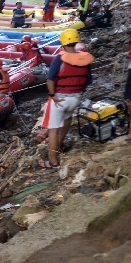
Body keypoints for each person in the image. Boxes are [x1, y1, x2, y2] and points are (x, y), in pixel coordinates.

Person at [39, 29, 94, 169]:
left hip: (60, 98)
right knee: (67, 120)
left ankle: (53, 161)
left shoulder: (59, 58)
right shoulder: (85, 59)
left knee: (53, 129)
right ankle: (59, 145)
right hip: (75, 98)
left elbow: (50, 79)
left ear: (63, 43)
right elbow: (88, 81)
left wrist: (53, 96)